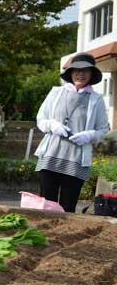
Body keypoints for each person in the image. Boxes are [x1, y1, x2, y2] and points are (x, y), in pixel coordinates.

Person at [35, 52, 109, 212]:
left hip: (76, 160)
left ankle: (64, 236)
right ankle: (47, 235)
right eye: (76, 70)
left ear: (91, 74)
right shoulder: (55, 93)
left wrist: (90, 135)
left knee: (68, 207)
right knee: (46, 206)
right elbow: (40, 119)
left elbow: (104, 129)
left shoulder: (96, 99)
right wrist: (51, 125)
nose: (80, 74)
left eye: (85, 71)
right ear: (70, 73)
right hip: (51, 156)